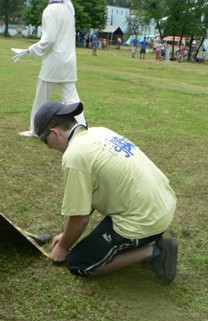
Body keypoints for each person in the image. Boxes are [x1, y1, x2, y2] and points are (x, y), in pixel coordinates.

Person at [34, 101, 178, 284]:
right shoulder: (100, 131)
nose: (47, 147)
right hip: (164, 204)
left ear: (54, 132)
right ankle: (149, 238)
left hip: (145, 218)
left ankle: (155, 252)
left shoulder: (74, 156)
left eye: (44, 140)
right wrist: (65, 235)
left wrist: (63, 248)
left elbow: (80, 218)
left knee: (79, 262)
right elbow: (88, 198)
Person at [14, 0, 85, 138]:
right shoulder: (68, 10)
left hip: (54, 62)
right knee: (71, 97)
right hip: (68, 60)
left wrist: (30, 50)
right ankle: (81, 128)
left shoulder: (50, 11)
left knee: (41, 97)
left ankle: (35, 129)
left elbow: (49, 39)